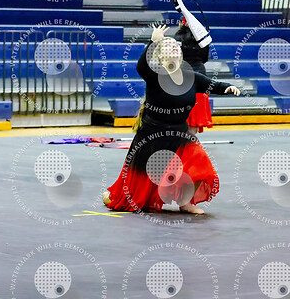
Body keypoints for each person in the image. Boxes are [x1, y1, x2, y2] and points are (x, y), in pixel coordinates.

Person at [102, 24, 240, 215]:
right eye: (168, 45)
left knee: (200, 164)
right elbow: (141, 67)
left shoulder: (191, 76)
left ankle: (185, 203)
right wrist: (153, 41)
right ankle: (112, 195)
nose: (174, 46)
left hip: (180, 134)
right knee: (135, 199)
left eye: (176, 45)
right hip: (152, 136)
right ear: (160, 55)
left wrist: (227, 87)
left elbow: (213, 85)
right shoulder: (155, 74)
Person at [174, 18, 212, 134]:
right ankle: (191, 141)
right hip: (200, 74)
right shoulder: (202, 38)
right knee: (195, 115)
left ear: (181, 24)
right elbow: (205, 58)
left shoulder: (177, 38)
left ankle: (181, 141)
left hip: (183, 74)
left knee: (182, 113)